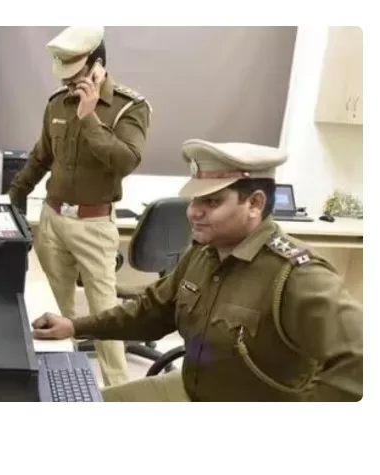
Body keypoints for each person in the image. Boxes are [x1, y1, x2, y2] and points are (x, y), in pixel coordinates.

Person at [32, 139, 363, 402]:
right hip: (190, 391)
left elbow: (359, 359)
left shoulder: (296, 276)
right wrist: (74, 326)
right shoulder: (202, 253)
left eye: (212, 202)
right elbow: (152, 312)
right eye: (194, 200)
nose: (194, 212)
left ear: (255, 204)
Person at [8, 26, 152, 387]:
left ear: (97, 66)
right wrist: (14, 199)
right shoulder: (57, 103)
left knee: (106, 316)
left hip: (94, 226)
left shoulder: (129, 107)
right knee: (54, 312)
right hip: (53, 221)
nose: (69, 85)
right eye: (65, 78)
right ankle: (59, 384)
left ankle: (118, 391)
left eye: (76, 77)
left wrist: (89, 117)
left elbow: (126, 161)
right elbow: (41, 157)